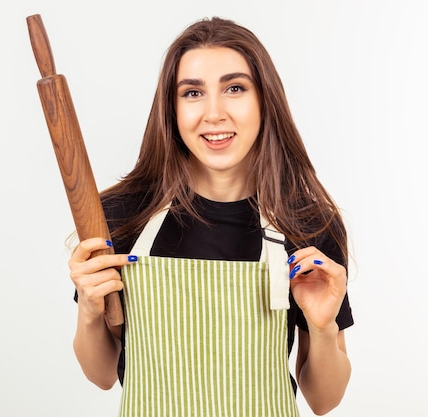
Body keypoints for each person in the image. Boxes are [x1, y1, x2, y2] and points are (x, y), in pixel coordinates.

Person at [68, 16, 353, 417]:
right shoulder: (122, 217)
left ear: (264, 100)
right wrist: (89, 309)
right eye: (192, 93)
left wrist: (323, 328)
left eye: (234, 88)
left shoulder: (307, 225)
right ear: (172, 108)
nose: (213, 113)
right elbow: (101, 374)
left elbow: (324, 401)